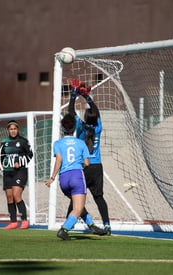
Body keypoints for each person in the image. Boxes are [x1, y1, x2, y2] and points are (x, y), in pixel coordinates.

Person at [68, 78, 111, 235]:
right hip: (97, 167)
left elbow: (71, 112)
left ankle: (69, 223)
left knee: (76, 196)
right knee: (99, 197)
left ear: (85, 117)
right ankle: (107, 224)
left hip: (83, 167)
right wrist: (87, 96)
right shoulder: (98, 128)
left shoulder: (81, 127)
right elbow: (96, 112)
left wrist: (74, 94)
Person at [45, 113, 90, 240]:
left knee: (78, 205)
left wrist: (52, 178)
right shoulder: (81, 143)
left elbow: (58, 159)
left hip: (63, 179)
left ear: (62, 128)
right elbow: (86, 163)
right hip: (77, 176)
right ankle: (64, 229)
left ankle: (91, 224)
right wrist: (80, 163)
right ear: (74, 128)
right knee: (78, 208)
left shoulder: (57, 143)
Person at [0, 120, 33, 230]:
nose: (13, 131)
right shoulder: (4, 142)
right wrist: (1, 163)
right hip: (7, 172)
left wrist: (20, 161)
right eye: (11, 129)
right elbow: (2, 155)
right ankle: (13, 222)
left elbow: (30, 154)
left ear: (18, 130)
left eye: (15, 129)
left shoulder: (23, 141)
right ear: (8, 130)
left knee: (16, 195)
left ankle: (24, 221)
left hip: (20, 171)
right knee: (9, 197)